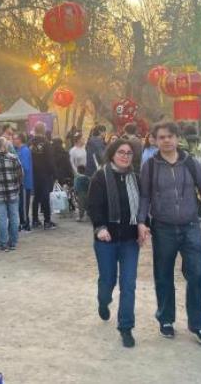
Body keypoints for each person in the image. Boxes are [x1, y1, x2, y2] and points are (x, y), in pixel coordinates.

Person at [138, 122, 201, 346]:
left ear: (177, 138)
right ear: (155, 140)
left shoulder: (191, 163)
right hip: (163, 228)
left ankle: (198, 324)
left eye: (170, 136)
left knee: (197, 273)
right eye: (161, 137)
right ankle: (166, 319)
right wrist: (141, 222)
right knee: (163, 275)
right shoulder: (150, 166)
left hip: (190, 227)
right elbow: (144, 196)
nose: (166, 140)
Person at [87, 139, 141, 348]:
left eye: (129, 153)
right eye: (121, 152)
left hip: (130, 240)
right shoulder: (100, 177)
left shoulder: (136, 178)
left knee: (128, 284)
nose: (125, 156)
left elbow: (142, 207)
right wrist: (100, 227)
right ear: (112, 154)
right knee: (108, 280)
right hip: (106, 239)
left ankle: (126, 327)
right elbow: (93, 206)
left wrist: (144, 226)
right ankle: (103, 301)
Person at [0, 137, 23, 251]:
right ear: (5, 145)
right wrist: (17, 186)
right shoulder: (14, 158)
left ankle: (3, 243)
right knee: (14, 217)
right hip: (13, 192)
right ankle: (13, 242)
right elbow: (21, 174)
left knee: (2, 219)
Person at [30, 122, 56, 230]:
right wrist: (54, 173)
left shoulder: (30, 143)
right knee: (45, 197)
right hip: (45, 174)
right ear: (44, 130)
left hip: (34, 174)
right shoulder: (46, 143)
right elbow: (50, 160)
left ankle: (35, 220)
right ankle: (47, 221)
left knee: (36, 197)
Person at [14, 133, 33, 231]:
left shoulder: (24, 150)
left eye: (15, 138)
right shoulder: (18, 150)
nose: (13, 140)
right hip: (20, 182)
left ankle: (26, 224)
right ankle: (22, 222)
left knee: (24, 204)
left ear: (20, 139)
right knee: (21, 204)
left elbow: (25, 167)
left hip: (25, 182)